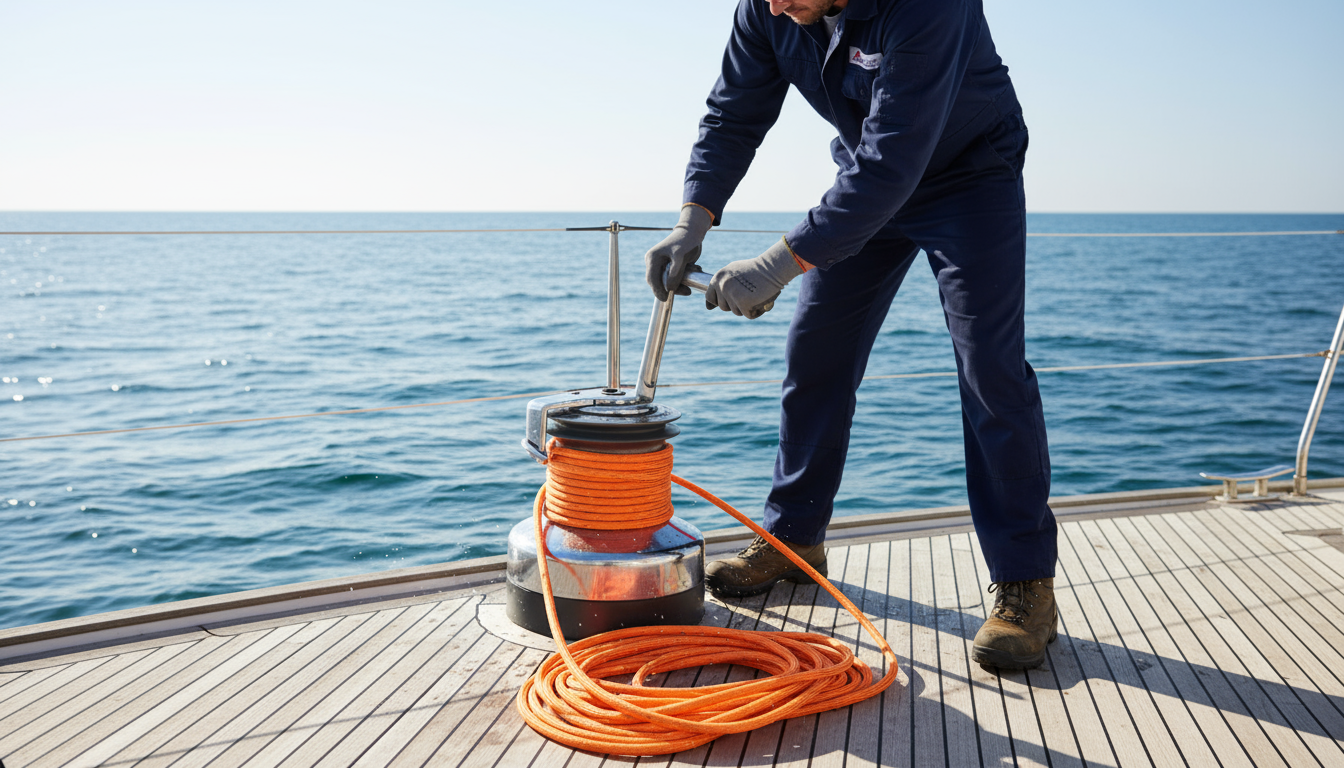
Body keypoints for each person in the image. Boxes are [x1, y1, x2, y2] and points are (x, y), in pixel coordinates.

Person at [644, 0, 1058, 669]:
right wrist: (693, 218)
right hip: (867, 178)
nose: (775, 7)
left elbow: (894, 161)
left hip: (968, 180)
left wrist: (776, 265)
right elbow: (734, 112)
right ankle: (793, 540)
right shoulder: (769, 5)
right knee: (815, 354)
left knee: (991, 370)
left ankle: (1025, 583)